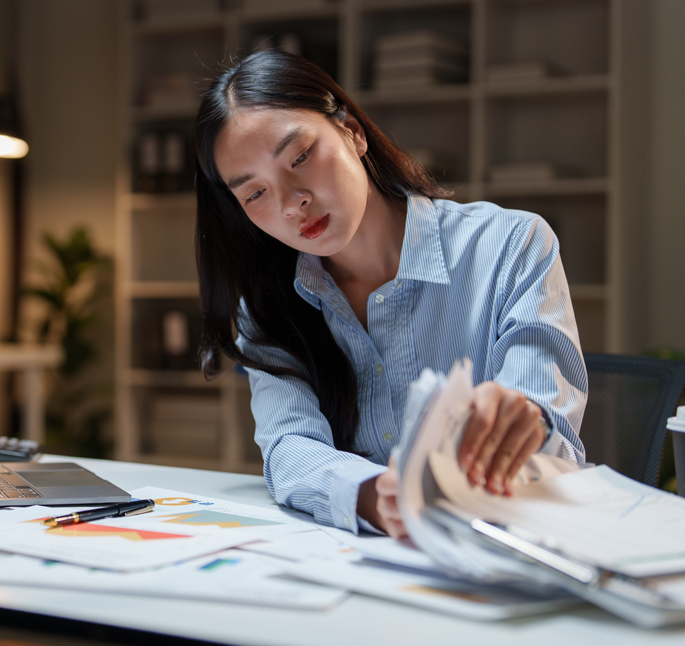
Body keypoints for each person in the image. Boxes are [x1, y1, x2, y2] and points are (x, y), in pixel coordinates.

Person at [192, 50, 586, 539]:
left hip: (507, 548)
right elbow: (288, 445)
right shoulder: (269, 306)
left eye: (300, 157)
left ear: (353, 132)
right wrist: (374, 496)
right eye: (254, 194)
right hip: (368, 566)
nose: (293, 202)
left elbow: (552, 437)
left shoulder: (513, 244)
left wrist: (525, 420)